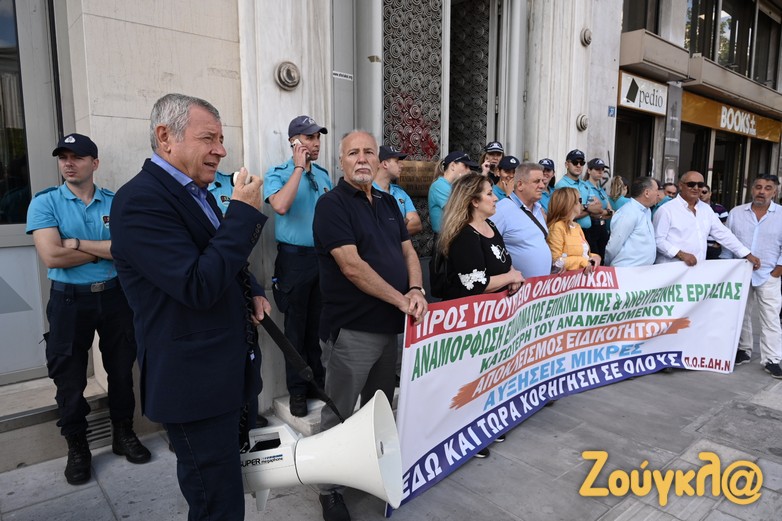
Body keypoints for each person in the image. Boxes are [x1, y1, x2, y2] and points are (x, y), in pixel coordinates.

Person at [110, 93, 270, 520]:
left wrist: (252, 288)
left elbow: (218, 258)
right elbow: (196, 284)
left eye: (221, 139)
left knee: (229, 492)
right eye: (208, 138)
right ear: (166, 137)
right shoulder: (139, 200)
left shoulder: (196, 192)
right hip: (195, 386)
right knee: (217, 504)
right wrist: (242, 213)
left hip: (227, 376)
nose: (221, 150)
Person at [313, 130, 428, 521]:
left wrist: (416, 288)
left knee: (378, 407)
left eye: (368, 152)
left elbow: (408, 251)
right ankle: (328, 488)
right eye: (352, 153)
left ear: (378, 159)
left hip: (389, 329)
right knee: (339, 411)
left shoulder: (388, 202)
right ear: (341, 161)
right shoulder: (331, 205)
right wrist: (402, 300)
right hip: (352, 331)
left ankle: (368, 466)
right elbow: (351, 266)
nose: (361, 158)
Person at [26, 133, 150, 486]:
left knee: (121, 371)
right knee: (69, 378)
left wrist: (78, 244)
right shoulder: (45, 202)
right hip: (69, 301)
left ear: (94, 163)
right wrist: (104, 250)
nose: (68, 163)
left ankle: (123, 433)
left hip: (115, 297)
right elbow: (52, 255)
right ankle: (77, 447)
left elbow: (129, 249)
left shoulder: (115, 201)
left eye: (77, 157)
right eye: (63, 157)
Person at [264, 115, 331, 417]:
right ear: (294, 142)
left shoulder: (325, 176)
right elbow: (280, 205)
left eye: (318, 138)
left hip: (322, 259)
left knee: (316, 327)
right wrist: (298, 168)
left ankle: (316, 382)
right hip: (294, 261)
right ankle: (298, 390)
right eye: (309, 138)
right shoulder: (278, 173)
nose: (315, 143)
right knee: (294, 329)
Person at [725, 174, 782, 378]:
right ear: (751, 189)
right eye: (758, 187)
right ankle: (744, 350)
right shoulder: (736, 213)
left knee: (770, 318)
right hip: (740, 272)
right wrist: (728, 268)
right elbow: (728, 242)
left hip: (769, 274)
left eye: (767, 188)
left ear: (775, 192)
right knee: (741, 314)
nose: (762, 191)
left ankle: (772, 359)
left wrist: (777, 271)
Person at [653, 171, 759, 268]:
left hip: (697, 270)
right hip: (671, 270)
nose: (696, 188)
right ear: (681, 185)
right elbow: (658, 240)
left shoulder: (706, 209)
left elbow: (723, 234)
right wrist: (681, 254)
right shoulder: (666, 210)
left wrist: (746, 254)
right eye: (691, 184)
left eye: (700, 185)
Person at [492, 162, 552, 278]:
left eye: (542, 181)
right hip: (516, 286)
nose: (542, 186)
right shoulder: (501, 210)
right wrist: (508, 274)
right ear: (520, 185)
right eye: (536, 181)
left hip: (541, 286)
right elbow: (489, 248)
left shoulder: (538, 209)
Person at [604, 177, 658, 267]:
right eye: (656, 190)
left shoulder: (646, 211)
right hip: (626, 270)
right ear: (647, 193)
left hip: (642, 270)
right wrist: (607, 265)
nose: (658, 194)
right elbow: (614, 245)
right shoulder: (628, 212)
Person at [546, 187, 602, 272]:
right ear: (569, 204)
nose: (582, 204)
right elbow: (556, 260)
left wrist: (595, 257)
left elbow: (583, 253)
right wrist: (584, 262)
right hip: (567, 278)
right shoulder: (556, 227)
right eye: (580, 200)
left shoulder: (577, 226)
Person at [374, 145, 422, 235]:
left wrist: (388, 228)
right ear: (385, 164)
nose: (401, 165)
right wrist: (402, 222)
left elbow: (417, 225)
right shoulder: (367, 192)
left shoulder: (400, 192)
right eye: (396, 162)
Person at [428, 151, 478, 234]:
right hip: (444, 237)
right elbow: (459, 210)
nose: (469, 171)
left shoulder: (455, 186)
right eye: (465, 166)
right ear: (453, 166)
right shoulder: (439, 185)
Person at [554, 149, 602, 233]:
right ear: (567, 164)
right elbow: (567, 214)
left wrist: (584, 208)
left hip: (588, 231)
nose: (579, 165)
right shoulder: (561, 185)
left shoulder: (585, 185)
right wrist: (590, 210)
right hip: (569, 231)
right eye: (575, 162)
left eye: (582, 163)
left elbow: (598, 207)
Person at [582, 158, 613, 260]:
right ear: (589, 170)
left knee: (603, 256)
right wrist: (603, 212)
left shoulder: (601, 189)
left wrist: (603, 213)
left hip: (602, 226)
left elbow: (610, 210)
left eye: (602, 169)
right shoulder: (585, 187)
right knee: (594, 256)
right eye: (597, 169)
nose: (600, 172)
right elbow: (592, 211)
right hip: (592, 226)